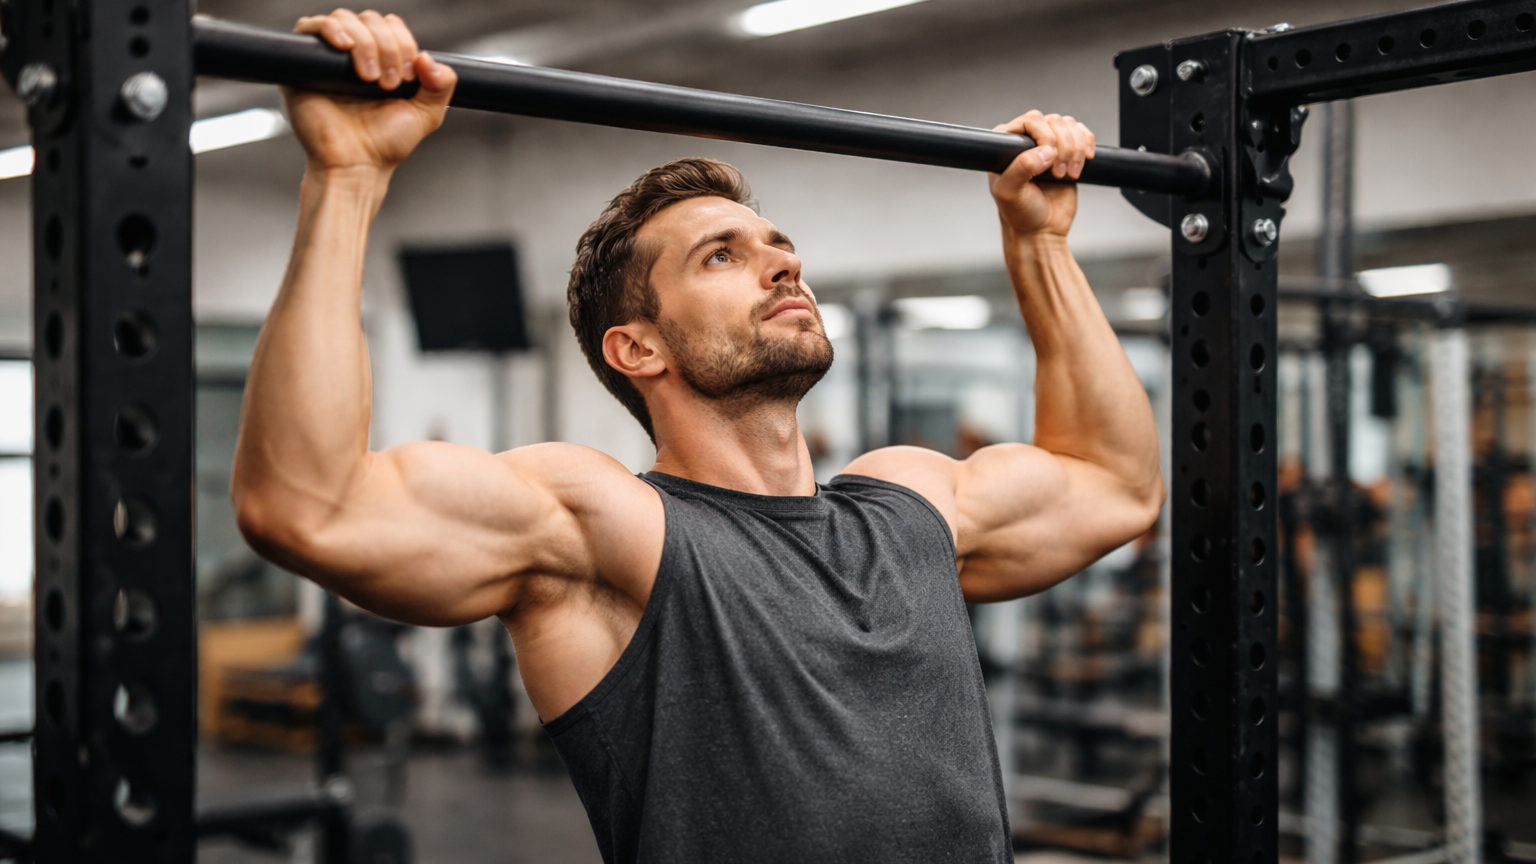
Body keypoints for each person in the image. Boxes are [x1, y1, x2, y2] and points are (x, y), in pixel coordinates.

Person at [231, 9, 1164, 863]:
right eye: (723, 255)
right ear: (636, 347)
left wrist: (1038, 245)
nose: (782, 262)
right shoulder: (613, 530)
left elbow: (1115, 483)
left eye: (777, 245)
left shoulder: (908, 505)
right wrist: (348, 180)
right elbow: (308, 506)